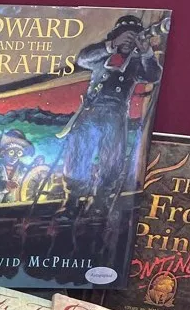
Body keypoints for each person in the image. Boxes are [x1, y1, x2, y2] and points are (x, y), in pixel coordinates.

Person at [59, 15, 164, 217]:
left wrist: (146, 52)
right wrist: (112, 45)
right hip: (91, 111)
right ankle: (71, 201)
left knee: (112, 159)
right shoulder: (102, 56)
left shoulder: (137, 63)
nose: (128, 42)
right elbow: (82, 58)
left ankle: (100, 201)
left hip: (116, 115)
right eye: (125, 36)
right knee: (78, 155)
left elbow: (154, 76)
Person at [0, 130, 38, 203]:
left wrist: (35, 164)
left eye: (19, 153)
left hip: (11, 203)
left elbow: (29, 173)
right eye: (11, 152)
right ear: (3, 153)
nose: (15, 156)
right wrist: (6, 185)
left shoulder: (21, 166)